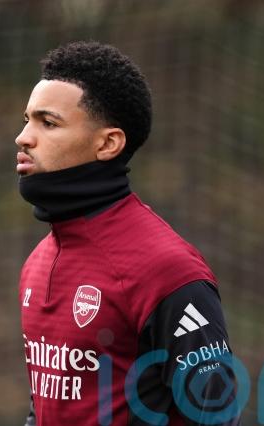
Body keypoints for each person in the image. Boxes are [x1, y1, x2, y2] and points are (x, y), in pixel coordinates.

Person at [15, 41, 240, 426]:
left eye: (47, 123)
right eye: (27, 120)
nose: (23, 137)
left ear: (108, 143)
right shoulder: (37, 263)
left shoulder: (167, 270)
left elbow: (215, 415)